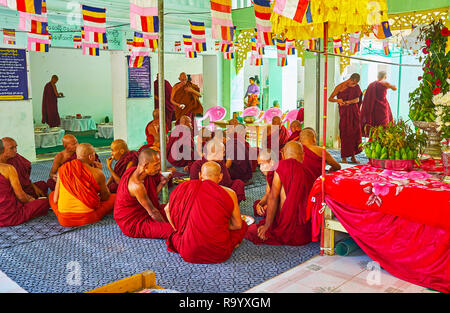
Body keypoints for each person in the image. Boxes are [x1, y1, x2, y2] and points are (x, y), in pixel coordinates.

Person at [165, 161, 247, 264]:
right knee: (243, 226)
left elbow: (167, 209)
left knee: (173, 236)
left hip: (189, 252)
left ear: (200, 175)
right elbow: (237, 225)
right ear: (220, 176)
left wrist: (178, 229)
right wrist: (218, 226)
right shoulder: (230, 193)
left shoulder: (187, 187)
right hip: (219, 253)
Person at [245, 141, 315, 246]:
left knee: (248, 230)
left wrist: (267, 227)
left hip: (286, 228)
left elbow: (273, 197)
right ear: (303, 155)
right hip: (306, 231)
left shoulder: (281, 166)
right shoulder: (309, 172)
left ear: (283, 154)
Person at [49, 143, 115, 227]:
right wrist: (99, 172)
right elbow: (105, 197)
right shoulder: (97, 173)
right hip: (88, 217)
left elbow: (55, 199)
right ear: (91, 157)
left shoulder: (63, 168)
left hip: (64, 220)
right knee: (115, 198)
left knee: (51, 195)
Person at [113, 148, 174, 239]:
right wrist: (166, 225)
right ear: (145, 166)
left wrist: (161, 184)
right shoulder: (137, 186)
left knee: (175, 209)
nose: (159, 168)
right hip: (133, 223)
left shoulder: (135, 170)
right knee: (172, 230)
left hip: (145, 210)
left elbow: (150, 197)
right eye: (156, 165)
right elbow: (153, 212)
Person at [0, 140, 50, 227]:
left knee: (42, 185)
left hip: (14, 198)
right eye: (12, 148)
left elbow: (25, 179)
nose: (15, 150)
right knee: (45, 202)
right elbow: (21, 196)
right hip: (10, 216)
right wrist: (33, 201)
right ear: (2, 150)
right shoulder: (7, 168)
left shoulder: (15, 158)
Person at [329, 73, 363, 163]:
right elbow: (330, 98)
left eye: (355, 84)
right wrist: (338, 100)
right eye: (353, 83)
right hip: (344, 113)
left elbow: (358, 100)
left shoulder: (356, 87)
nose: (354, 85)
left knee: (355, 133)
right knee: (345, 133)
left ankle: (353, 156)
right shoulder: (340, 87)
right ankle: (344, 157)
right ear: (351, 79)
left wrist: (348, 102)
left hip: (354, 112)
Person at [360, 71, 397, 137]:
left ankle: (375, 140)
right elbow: (395, 88)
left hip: (374, 108)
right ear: (385, 76)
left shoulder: (372, 84)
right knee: (384, 126)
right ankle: (382, 141)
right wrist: (391, 86)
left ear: (377, 76)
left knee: (375, 125)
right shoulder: (384, 82)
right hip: (382, 108)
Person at [253, 149, 276, 217]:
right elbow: (267, 193)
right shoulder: (269, 174)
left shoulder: (278, 175)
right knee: (256, 204)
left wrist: (267, 206)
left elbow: (280, 199)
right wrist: (259, 204)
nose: (260, 168)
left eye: (263, 164)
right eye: (259, 165)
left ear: (272, 162)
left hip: (282, 204)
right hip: (272, 201)